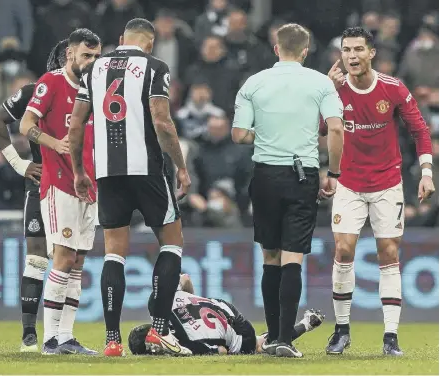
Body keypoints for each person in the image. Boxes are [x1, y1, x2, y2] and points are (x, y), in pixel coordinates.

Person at [68, 18, 192, 357]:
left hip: (108, 172)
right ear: (149, 44)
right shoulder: (154, 66)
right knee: (172, 243)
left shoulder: (93, 69)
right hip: (148, 168)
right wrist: (181, 165)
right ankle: (159, 330)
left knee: (113, 252)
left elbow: (76, 123)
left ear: (121, 39)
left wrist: (80, 170)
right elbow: (161, 119)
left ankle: (111, 340)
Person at [232, 23, 344, 358]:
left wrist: (264, 135)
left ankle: (271, 339)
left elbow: (238, 134)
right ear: (306, 50)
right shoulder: (320, 83)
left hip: (265, 176)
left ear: (275, 48)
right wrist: (333, 173)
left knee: (270, 256)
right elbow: (336, 129)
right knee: (293, 256)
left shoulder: (254, 83)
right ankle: (283, 339)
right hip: (302, 174)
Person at [324, 27, 434, 356]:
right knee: (343, 251)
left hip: (387, 183)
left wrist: (426, 172)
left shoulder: (393, 88)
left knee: (388, 253)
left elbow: (420, 130)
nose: (352, 55)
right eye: (346, 49)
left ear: (371, 53)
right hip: (349, 182)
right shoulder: (334, 90)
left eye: (358, 49)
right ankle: (341, 331)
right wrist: (327, 93)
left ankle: (390, 338)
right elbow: (318, 128)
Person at [19, 29, 102, 355]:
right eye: (86, 56)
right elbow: (26, 124)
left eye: (96, 57)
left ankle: (66, 336)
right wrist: (54, 143)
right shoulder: (50, 83)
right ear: (70, 54)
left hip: (88, 186)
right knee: (64, 256)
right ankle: (50, 339)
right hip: (58, 184)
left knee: (79, 261)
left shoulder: (97, 89)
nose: (92, 62)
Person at [0, 40, 68, 352]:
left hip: (76, 187)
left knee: (68, 261)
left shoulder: (90, 93)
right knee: (35, 259)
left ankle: (60, 335)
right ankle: (29, 336)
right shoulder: (39, 90)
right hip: (41, 183)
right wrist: (19, 163)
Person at [128, 274, 325, 356]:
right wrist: (191, 299)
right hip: (221, 306)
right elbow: (185, 278)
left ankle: (306, 324)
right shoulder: (157, 300)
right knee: (255, 340)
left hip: (232, 329)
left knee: (259, 345)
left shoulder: (185, 345)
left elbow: (220, 351)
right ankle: (304, 323)